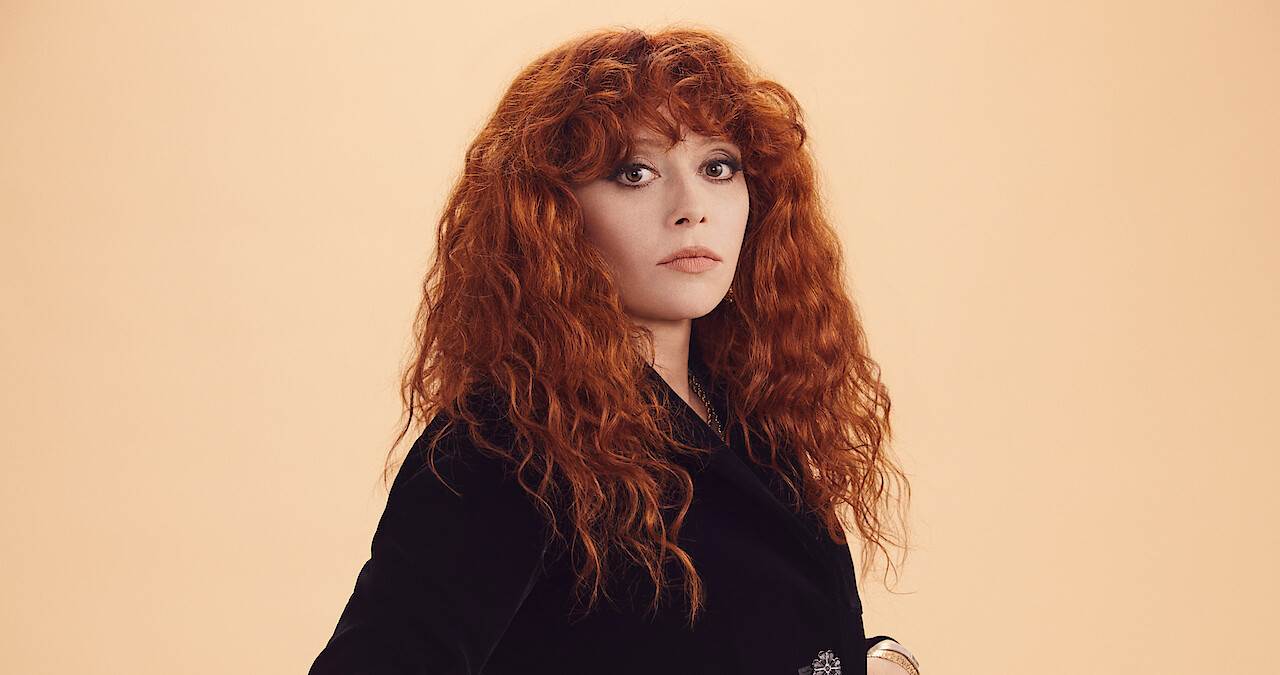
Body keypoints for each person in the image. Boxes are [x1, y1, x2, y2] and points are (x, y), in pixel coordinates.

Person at [309, 25, 919, 675]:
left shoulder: (754, 408)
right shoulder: (502, 443)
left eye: (717, 167)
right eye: (635, 173)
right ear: (552, 215)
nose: (692, 208)